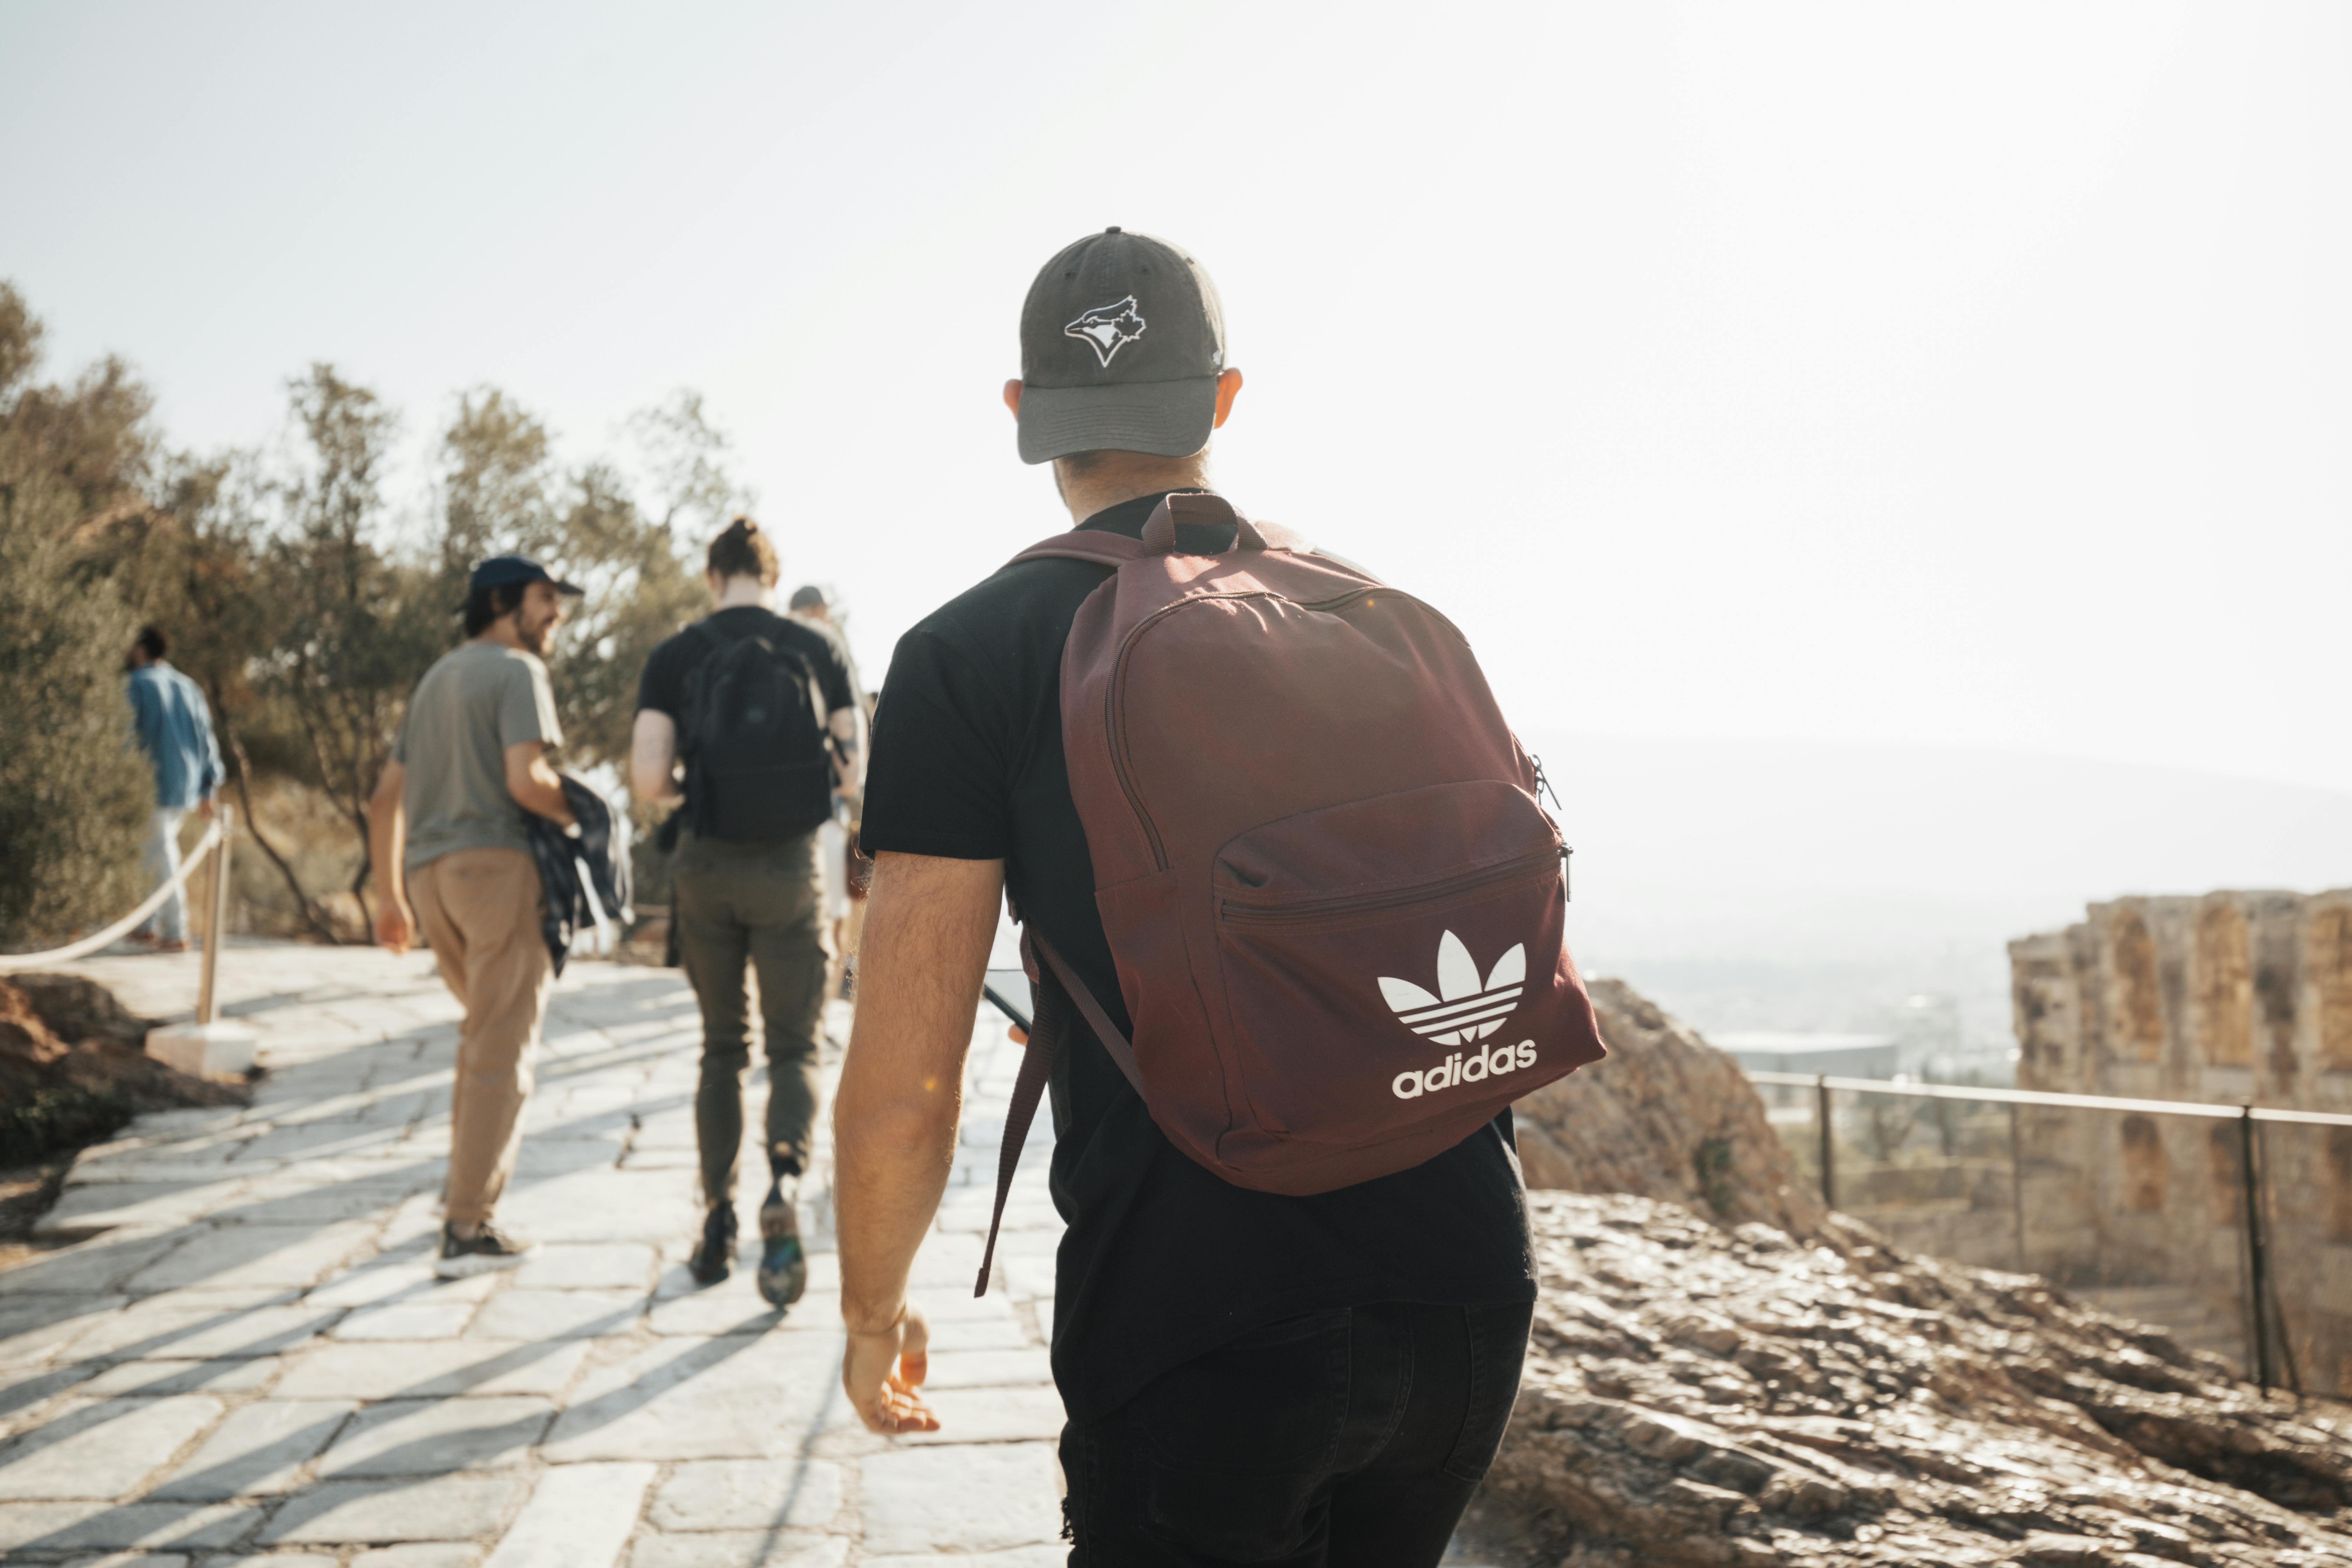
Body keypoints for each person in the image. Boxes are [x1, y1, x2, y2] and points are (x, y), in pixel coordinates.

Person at [837, 229, 1537, 1565]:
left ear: (1022, 418)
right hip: (1466, 1276)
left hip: (1198, 1312)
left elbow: (903, 1082)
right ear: (1222, 399)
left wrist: (874, 1312)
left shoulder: (963, 657)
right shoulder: (1367, 609)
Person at [631, 520, 865, 1302]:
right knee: (796, 1044)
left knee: (721, 1048)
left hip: (705, 864)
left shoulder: (677, 653)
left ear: (712, 574)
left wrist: (698, 785)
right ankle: (787, 1183)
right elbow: (855, 763)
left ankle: (718, 1218)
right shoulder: (817, 647)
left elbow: (647, 776)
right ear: (771, 573)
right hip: (793, 864)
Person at [368, 556, 580, 1278]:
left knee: (481, 1037)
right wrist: (580, 811)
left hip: (432, 882)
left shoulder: (434, 679)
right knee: (501, 1049)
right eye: (546, 598)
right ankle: (466, 1229)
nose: (557, 613)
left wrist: (389, 896)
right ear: (502, 602)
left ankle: (465, 1203)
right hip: (497, 871)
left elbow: (383, 799)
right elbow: (528, 781)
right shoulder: (518, 673)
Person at [786, 584, 864, 1003]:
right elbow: (851, 767)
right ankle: (819, 1005)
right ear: (818, 611)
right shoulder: (826, 652)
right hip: (825, 811)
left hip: (777, 816)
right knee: (832, 914)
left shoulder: (770, 652)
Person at [124, 625, 223, 954]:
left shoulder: (137, 685)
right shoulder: (188, 686)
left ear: (141, 649)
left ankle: (175, 930)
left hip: (151, 783)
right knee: (155, 853)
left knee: (162, 853)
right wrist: (209, 786)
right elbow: (207, 738)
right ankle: (147, 925)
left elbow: (123, 739)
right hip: (187, 785)